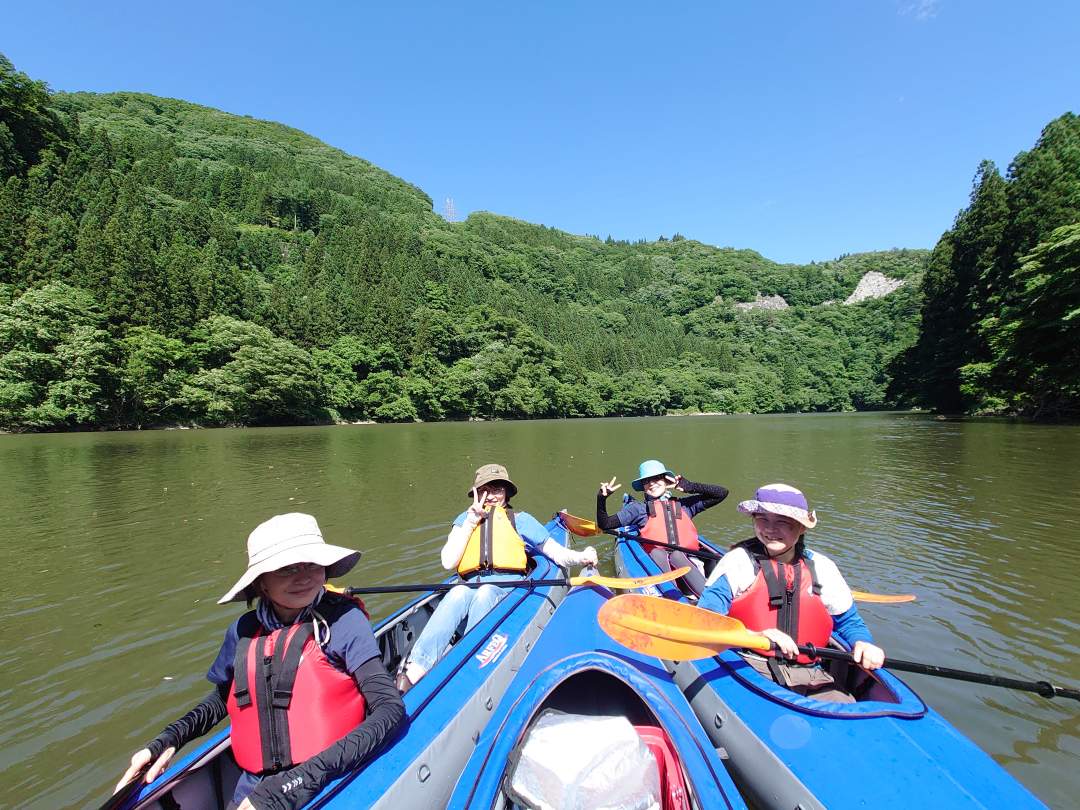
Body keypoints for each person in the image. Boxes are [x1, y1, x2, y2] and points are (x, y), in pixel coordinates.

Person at [114, 513, 405, 810]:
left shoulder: (343, 621)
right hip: (252, 789)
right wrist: (169, 739)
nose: (304, 576)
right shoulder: (242, 631)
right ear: (261, 583)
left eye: (312, 564)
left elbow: (390, 709)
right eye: (288, 568)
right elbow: (223, 701)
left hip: (331, 779)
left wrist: (293, 785)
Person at [396, 463, 598, 694]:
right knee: (457, 592)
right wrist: (471, 522)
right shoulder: (465, 518)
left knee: (485, 593)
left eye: (497, 490)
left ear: (506, 493)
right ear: (476, 493)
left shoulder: (519, 519)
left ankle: (465, 661)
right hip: (469, 585)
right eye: (485, 490)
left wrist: (582, 557)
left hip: (505, 587)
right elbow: (448, 562)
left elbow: (554, 552)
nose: (491, 496)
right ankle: (414, 670)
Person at [697, 484, 886, 703]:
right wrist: (756, 636)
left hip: (811, 673)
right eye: (762, 519)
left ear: (802, 527)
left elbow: (849, 622)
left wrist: (863, 642)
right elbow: (707, 620)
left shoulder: (822, 567)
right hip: (745, 663)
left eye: (782, 522)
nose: (769, 529)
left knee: (847, 709)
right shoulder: (738, 561)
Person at [595, 459, 728, 597]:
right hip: (658, 567)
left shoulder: (684, 506)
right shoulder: (638, 510)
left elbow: (721, 493)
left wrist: (689, 486)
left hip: (687, 563)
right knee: (659, 553)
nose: (651, 483)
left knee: (695, 557)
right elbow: (605, 524)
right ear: (643, 487)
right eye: (647, 481)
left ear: (666, 481)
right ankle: (674, 599)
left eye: (656, 478)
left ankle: (710, 599)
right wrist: (601, 499)